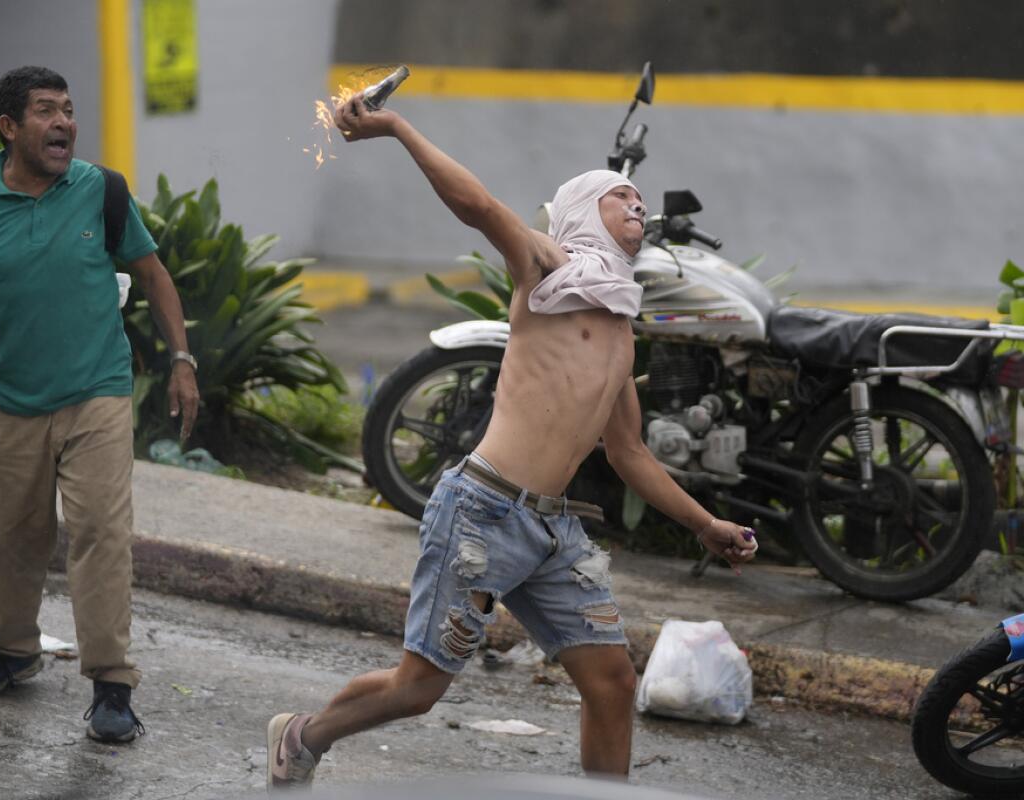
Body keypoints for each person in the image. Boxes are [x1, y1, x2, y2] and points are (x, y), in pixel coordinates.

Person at [266, 97, 758, 786]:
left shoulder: (618, 328)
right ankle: (303, 734)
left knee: (613, 682)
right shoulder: (547, 270)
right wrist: (399, 129)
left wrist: (706, 524)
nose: (639, 205)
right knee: (417, 690)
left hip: (552, 532)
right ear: (585, 212)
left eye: (642, 201)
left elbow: (630, 454)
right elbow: (477, 204)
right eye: (623, 196)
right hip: (483, 510)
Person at [0, 66, 200, 744]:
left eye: (70, 110)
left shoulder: (102, 191)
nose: (64, 123)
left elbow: (153, 275)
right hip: (6, 398)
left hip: (96, 395)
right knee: (8, 535)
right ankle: (11, 651)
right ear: (9, 128)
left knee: (102, 535)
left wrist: (183, 360)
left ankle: (111, 684)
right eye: (46, 111)